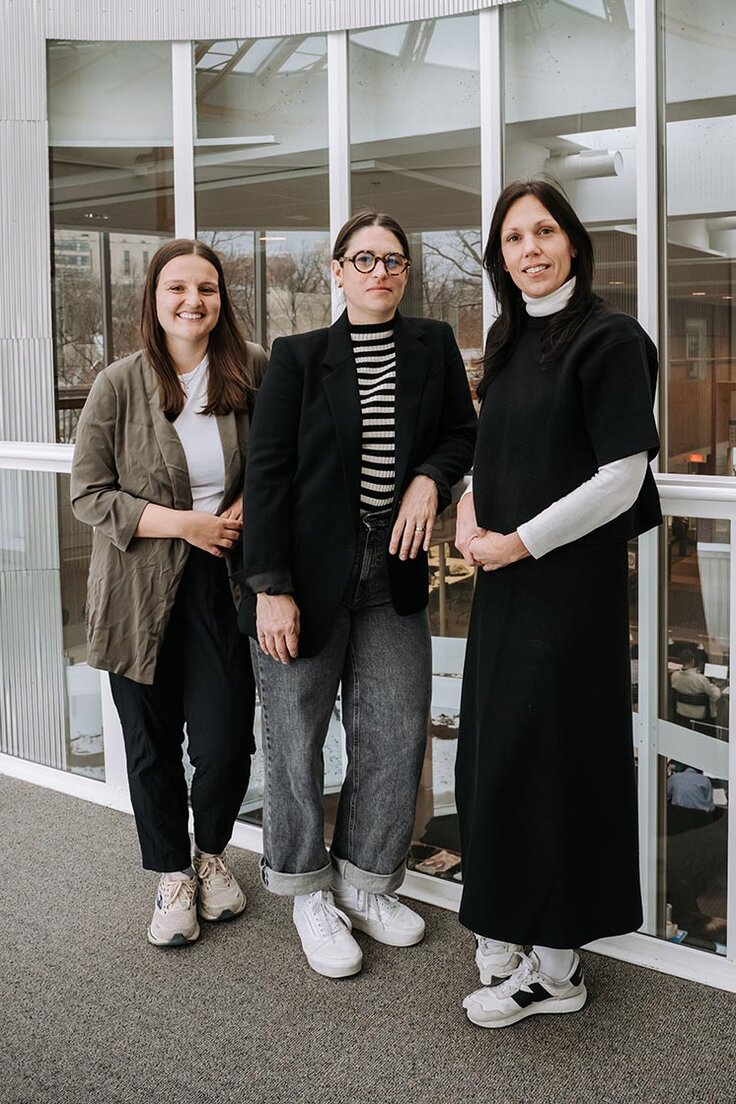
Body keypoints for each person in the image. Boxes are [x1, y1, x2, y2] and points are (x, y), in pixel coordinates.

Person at [239, 209, 476, 978]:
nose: (382, 272)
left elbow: (458, 435)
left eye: (395, 261)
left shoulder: (433, 346)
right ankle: (308, 889)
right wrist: (270, 587)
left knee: (398, 729)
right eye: (365, 259)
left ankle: (368, 883)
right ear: (337, 272)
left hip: (393, 568)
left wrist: (428, 483)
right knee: (295, 732)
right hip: (305, 576)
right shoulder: (299, 357)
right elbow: (267, 477)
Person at [454, 179, 662, 1028]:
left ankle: (558, 970)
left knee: (554, 767)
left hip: (563, 593)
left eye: (544, 232)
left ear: (574, 243)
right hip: (502, 583)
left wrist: (518, 543)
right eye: (513, 239)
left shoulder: (611, 339)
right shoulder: (508, 340)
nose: (530, 249)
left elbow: (623, 477)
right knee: (495, 756)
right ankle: (509, 923)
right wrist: (469, 517)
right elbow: (487, 455)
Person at [71, 239, 266, 947]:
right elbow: (88, 494)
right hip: (135, 593)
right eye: (177, 289)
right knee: (151, 745)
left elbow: (279, 460)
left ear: (222, 299)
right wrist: (185, 523)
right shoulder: (118, 384)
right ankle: (171, 876)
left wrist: (244, 503)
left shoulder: (251, 372)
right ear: (153, 301)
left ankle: (211, 854)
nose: (194, 301)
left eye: (208, 288)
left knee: (224, 744)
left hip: (223, 588)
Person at [671, 648, 722, 725]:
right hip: (701, 718)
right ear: (692, 662)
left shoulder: (674, 676)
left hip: (681, 715)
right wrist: (715, 687)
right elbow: (716, 695)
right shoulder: (701, 680)